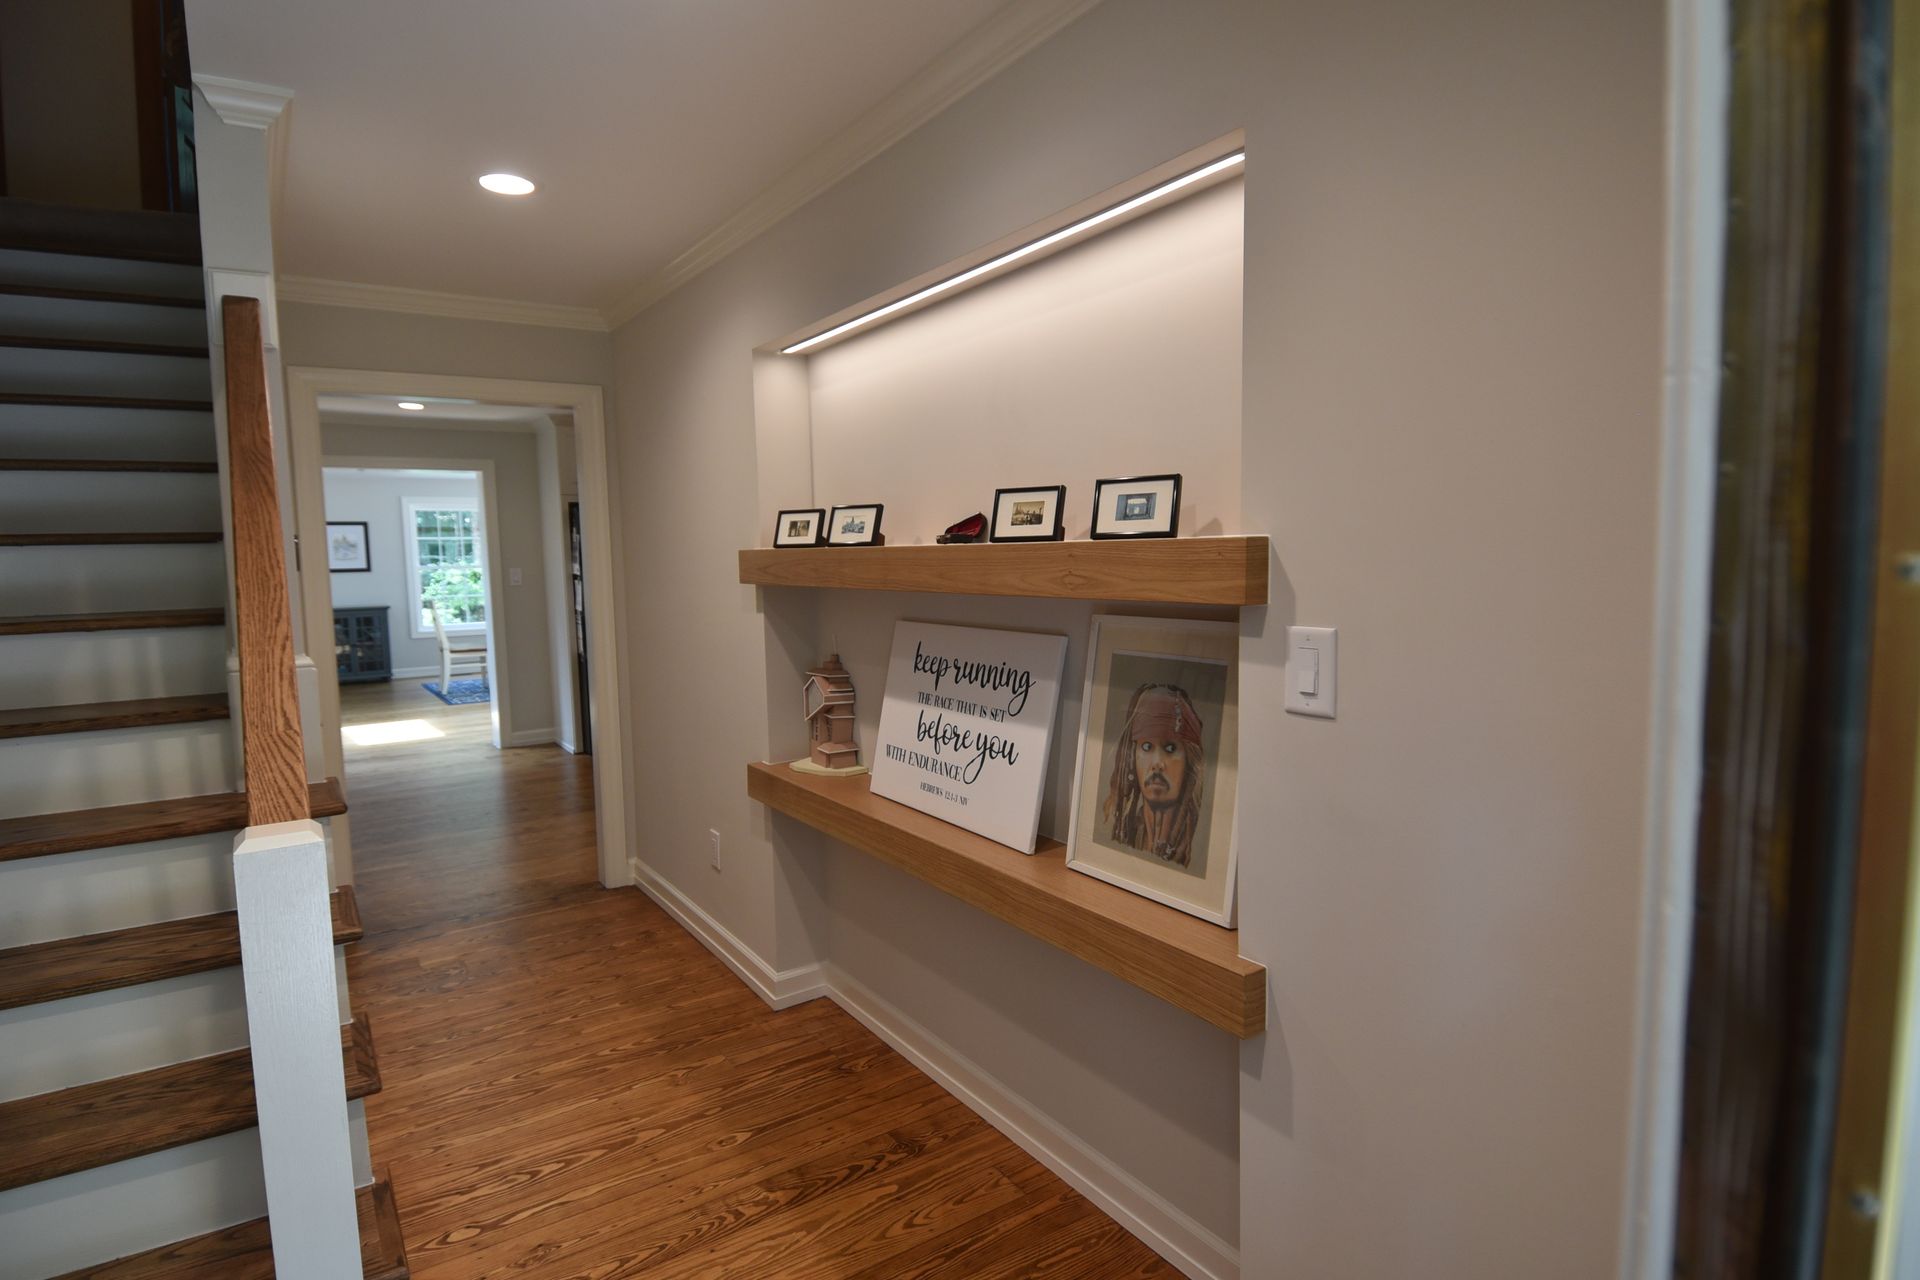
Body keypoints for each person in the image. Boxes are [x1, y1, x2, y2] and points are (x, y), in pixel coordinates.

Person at [1102, 683, 1205, 867]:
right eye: (1147, 747)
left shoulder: (1199, 850)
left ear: (1188, 761)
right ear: (1133, 757)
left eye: (1170, 748)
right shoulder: (1127, 833)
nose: (1157, 763)